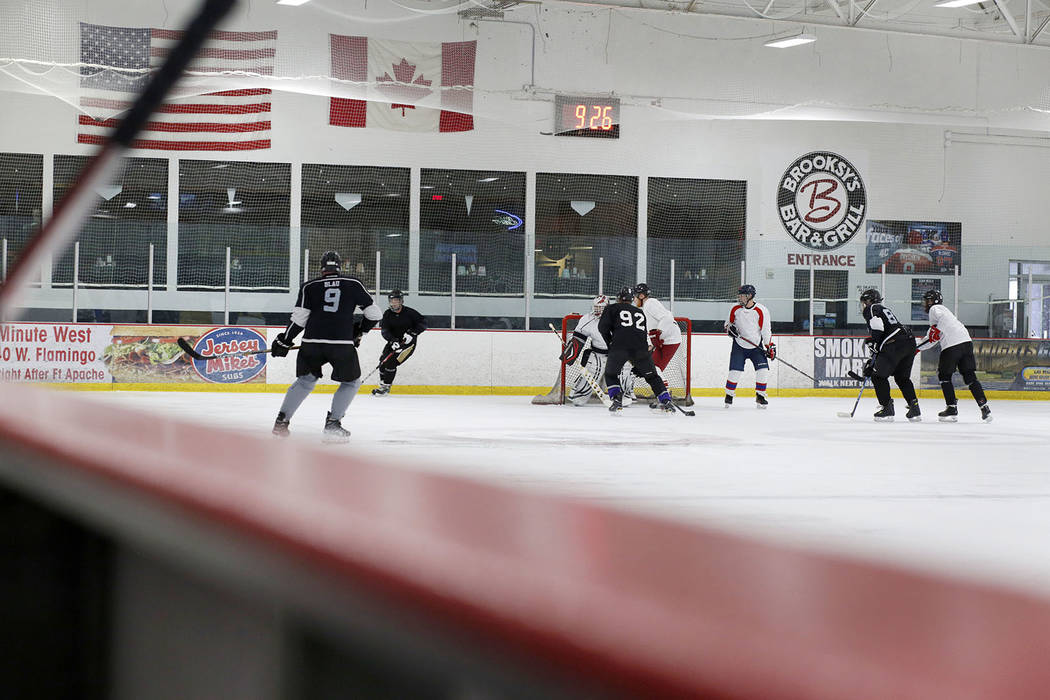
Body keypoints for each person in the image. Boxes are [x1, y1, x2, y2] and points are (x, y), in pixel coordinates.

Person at [270, 250, 382, 442]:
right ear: (340, 267)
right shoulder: (353, 284)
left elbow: (299, 320)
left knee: (305, 381)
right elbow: (375, 315)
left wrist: (284, 340)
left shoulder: (309, 286)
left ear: (321, 268)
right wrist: (359, 332)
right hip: (341, 344)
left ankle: (281, 423)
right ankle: (333, 424)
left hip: (311, 343)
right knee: (351, 382)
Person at [916, 289, 991, 423]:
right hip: (966, 342)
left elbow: (935, 332)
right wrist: (918, 348)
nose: (926, 304)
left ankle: (951, 408)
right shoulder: (946, 313)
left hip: (952, 345)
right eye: (926, 301)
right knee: (970, 377)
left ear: (935, 301)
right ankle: (984, 407)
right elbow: (933, 337)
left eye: (929, 300)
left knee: (944, 376)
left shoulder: (936, 309)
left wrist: (917, 347)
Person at [598, 286, 674, 414]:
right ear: (631, 299)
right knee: (653, 376)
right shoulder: (639, 312)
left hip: (620, 347)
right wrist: (645, 356)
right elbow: (643, 333)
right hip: (640, 349)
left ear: (618, 298)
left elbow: (602, 328)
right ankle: (666, 400)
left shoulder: (611, 308)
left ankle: (617, 399)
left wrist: (610, 343)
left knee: (611, 374)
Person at [859, 289, 921, 422]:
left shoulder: (871, 308)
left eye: (864, 302)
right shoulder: (883, 309)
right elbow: (884, 332)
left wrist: (874, 345)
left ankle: (887, 408)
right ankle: (914, 407)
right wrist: (875, 347)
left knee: (878, 377)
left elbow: (878, 327)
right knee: (902, 378)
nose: (863, 305)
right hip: (909, 342)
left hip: (895, 343)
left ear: (869, 301)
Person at [723, 284, 776, 409]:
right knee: (735, 372)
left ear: (749, 296)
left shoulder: (761, 310)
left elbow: (766, 330)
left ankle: (760, 396)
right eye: (739, 295)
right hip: (739, 345)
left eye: (742, 295)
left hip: (756, 345)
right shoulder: (735, 308)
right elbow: (727, 324)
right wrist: (730, 330)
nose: (739, 298)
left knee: (762, 371)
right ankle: (729, 395)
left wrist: (769, 346)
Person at [633, 282, 683, 404]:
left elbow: (667, 317)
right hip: (665, 339)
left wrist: (658, 333)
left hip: (670, 340)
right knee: (654, 368)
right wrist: (652, 340)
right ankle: (664, 396)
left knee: (655, 368)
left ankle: (665, 396)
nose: (634, 299)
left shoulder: (650, 303)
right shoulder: (646, 307)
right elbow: (652, 328)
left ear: (641, 296)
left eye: (635, 296)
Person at [372, 289, 428, 397]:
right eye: (392, 301)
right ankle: (383, 384)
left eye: (396, 300)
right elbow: (385, 331)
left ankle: (386, 387)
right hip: (394, 343)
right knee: (383, 361)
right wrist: (392, 340)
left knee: (392, 362)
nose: (394, 303)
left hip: (408, 345)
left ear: (401, 301)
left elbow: (424, 322)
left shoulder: (410, 313)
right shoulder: (387, 314)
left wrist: (412, 333)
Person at [560, 295, 611, 406]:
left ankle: (624, 394)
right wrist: (571, 351)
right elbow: (579, 338)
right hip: (598, 354)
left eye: (601, 308)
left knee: (625, 369)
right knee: (592, 370)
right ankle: (579, 394)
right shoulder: (588, 319)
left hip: (616, 354)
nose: (597, 310)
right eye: (596, 307)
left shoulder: (617, 319)